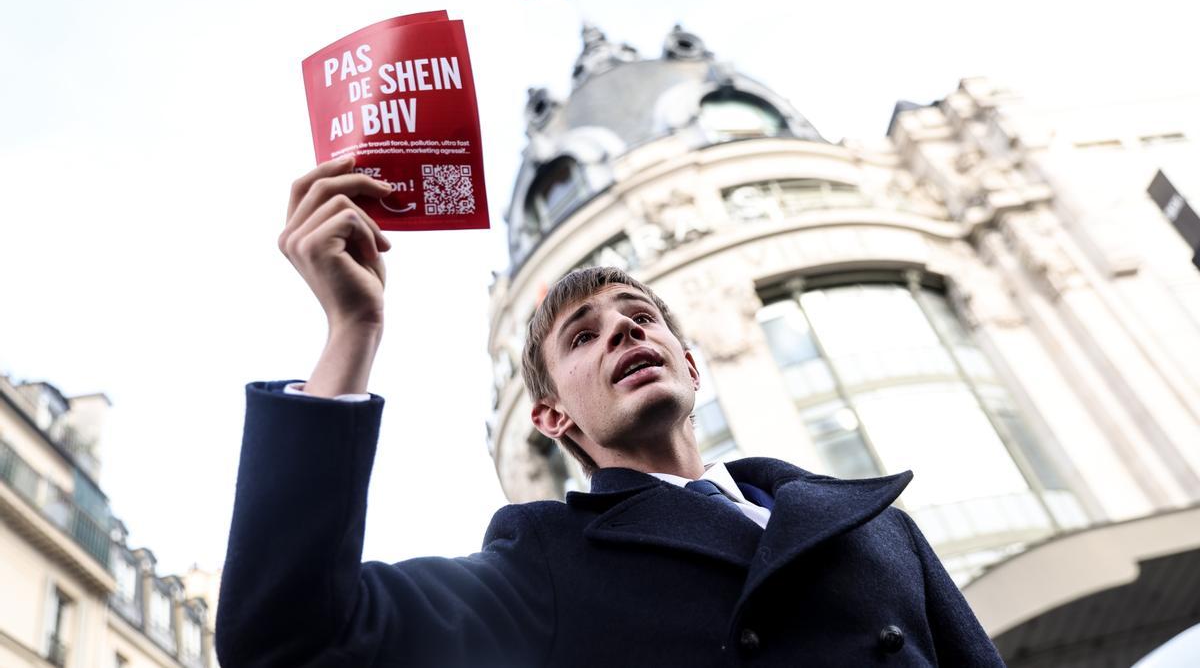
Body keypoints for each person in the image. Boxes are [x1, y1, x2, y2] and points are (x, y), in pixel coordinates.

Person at [215, 156, 1005, 667]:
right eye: (582, 335)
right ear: (553, 418)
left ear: (691, 365)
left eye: (639, 316)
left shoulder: (875, 525)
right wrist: (352, 332)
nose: (623, 329)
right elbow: (287, 638)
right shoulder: (544, 564)